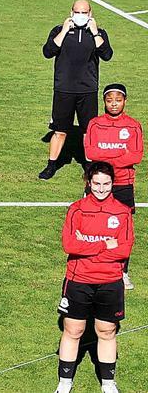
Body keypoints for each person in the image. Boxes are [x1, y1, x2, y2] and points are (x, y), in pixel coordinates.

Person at [56, 162, 133, 393]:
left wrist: (86, 244)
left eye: (106, 184)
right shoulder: (76, 209)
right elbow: (69, 245)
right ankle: (64, 382)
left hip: (110, 281)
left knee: (107, 331)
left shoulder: (122, 212)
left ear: (113, 184)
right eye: (96, 183)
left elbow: (124, 250)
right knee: (73, 330)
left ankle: (108, 384)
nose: (101, 189)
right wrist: (104, 244)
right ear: (88, 183)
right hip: (78, 280)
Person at [41, 0, 113, 180]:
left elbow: (107, 54)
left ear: (90, 14)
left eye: (84, 12)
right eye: (77, 12)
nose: (80, 15)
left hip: (87, 90)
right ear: (71, 12)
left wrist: (95, 32)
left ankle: (89, 166)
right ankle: (51, 165)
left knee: (88, 131)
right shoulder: (59, 30)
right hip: (63, 89)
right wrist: (65, 30)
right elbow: (48, 51)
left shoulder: (99, 33)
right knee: (60, 130)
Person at [84, 83, 142, 289]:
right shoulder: (95, 124)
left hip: (123, 184)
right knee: (92, 227)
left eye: (118, 100)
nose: (114, 104)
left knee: (123, 231)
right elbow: (90, 153)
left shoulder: (133, 126)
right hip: (97, 183)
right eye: (110, 100)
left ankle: (122, 272)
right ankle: (91, 268)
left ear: (125, 101)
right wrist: (120, 156)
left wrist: (106, 158)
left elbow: (136, 155)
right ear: (104, 102)